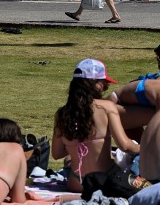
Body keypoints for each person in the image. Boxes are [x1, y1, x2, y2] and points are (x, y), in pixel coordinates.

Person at [52, 58, 139, 194]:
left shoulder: (62, 114)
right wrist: (147, 149)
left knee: (69, 159)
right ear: (93, 83)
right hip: (104, 181)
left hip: (76, 183)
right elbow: (125, 145)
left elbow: (57, 154)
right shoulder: (106, 108)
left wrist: (76, 143)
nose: (106, 87)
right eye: (103, 83)